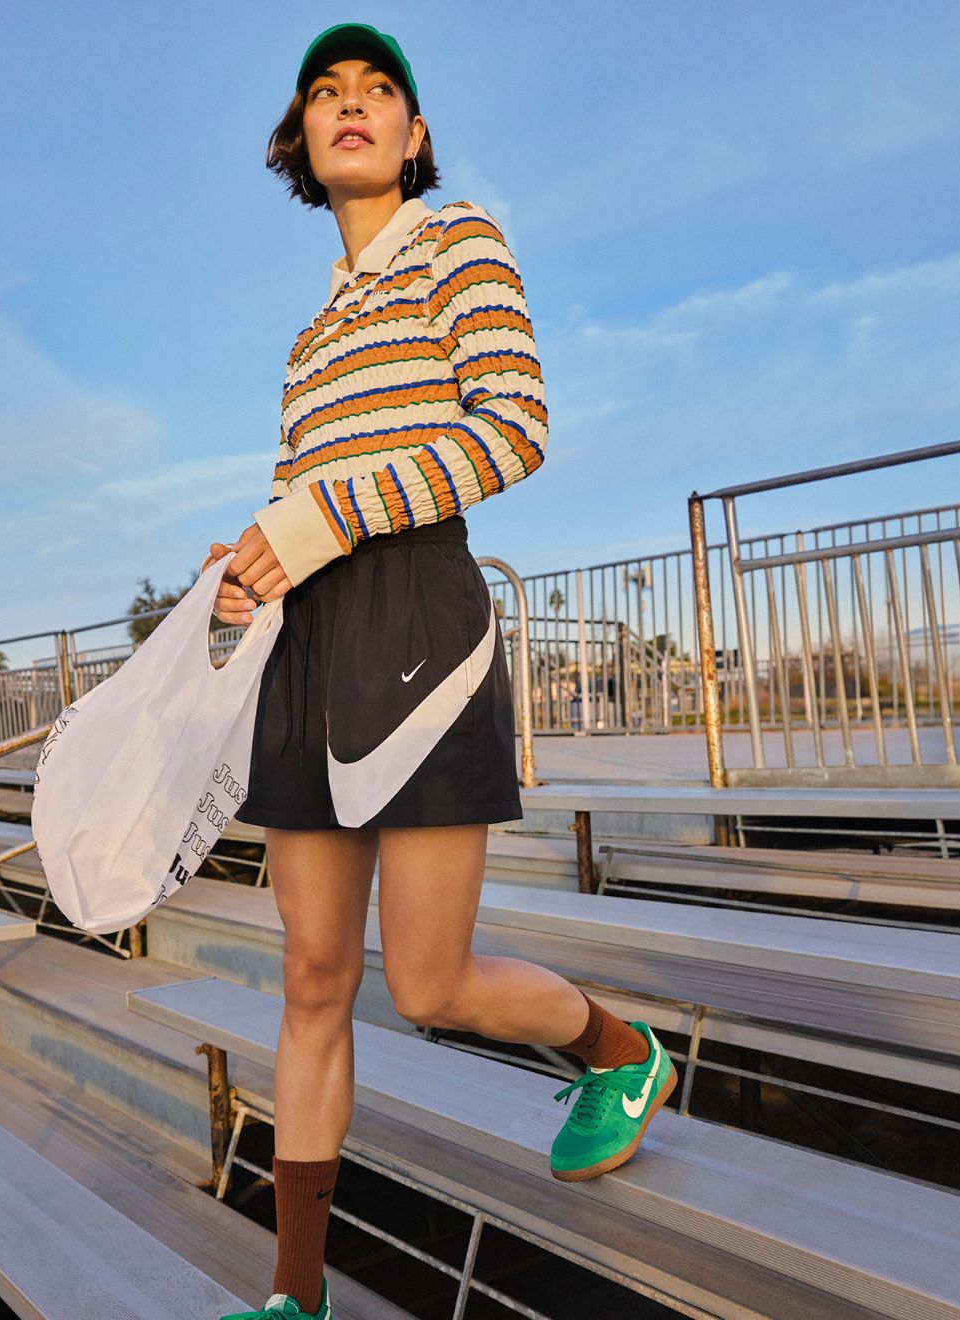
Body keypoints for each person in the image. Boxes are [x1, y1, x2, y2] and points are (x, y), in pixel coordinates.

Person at [204, 24, 678, 1320]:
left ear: (413, 136)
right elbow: (303, 501)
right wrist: (255, 565)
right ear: (301, 140)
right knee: (312, 978)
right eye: (326, 93)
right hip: (312, 639)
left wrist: (331, 514)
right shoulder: (311, 335)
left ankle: (619, 1051)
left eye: (378, 92)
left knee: (427, 984)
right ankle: (295, 1299)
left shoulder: (457, 237)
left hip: (419, 615)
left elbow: (513, 427)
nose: (351, 105)